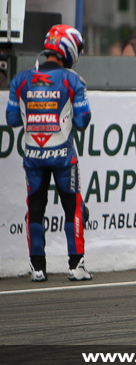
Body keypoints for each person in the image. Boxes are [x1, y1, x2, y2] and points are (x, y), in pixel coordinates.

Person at [5, 24, 93, 282]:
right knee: (73, 207)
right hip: (64, 155)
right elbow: (83, 121)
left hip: (33, 156)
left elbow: (11, 118)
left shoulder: (20, 80)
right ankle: (76, 266)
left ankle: (38, 268)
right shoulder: (72, 79)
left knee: (35, 208)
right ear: (69, 48)